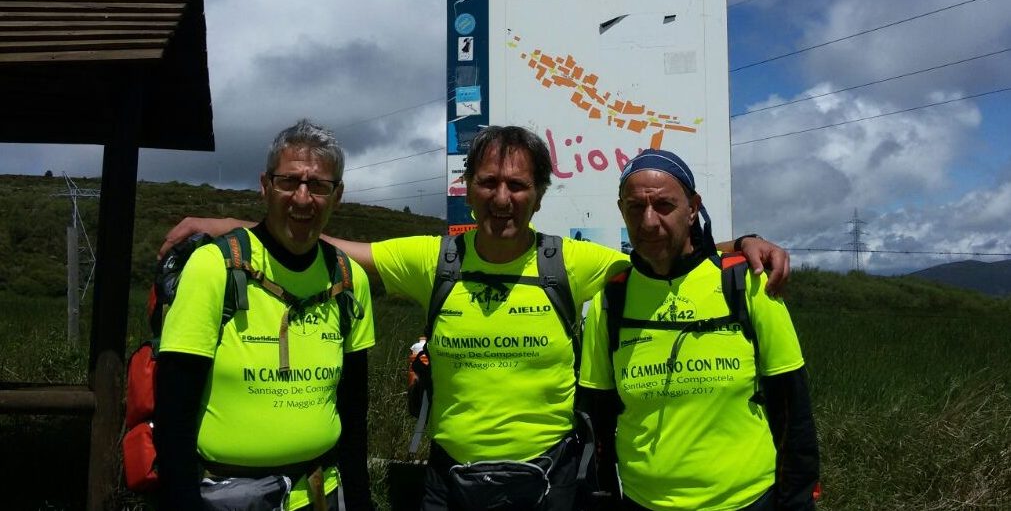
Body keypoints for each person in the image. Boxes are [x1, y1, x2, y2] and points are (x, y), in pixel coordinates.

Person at [160, 125, 791, 511]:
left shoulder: (571, 263)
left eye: (518, 186)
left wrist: (746, 244)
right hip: (450, 484)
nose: (502, 198)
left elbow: (666, 248)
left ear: (540, 193)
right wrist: (225, 227)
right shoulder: (433, 259)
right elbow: (312, 239)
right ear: (468, 187)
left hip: (549, 482)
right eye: (488, 182)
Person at [154, 119, 376, 510]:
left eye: (319, 185)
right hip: (228, 495)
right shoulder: (213, 267)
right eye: (289, 182)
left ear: (337, 195)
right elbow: (173, 412)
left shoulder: (349, 278)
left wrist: (361, 502)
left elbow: (354, 412)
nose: (303, 199)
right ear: (265, 185)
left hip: (322, 491)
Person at [579, 149, 819, 510]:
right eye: (635, 207)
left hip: (748, 500)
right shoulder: (611, 298)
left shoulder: (747, 283)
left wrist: (798, 502)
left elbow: (793, 413)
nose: (648, 221)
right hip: (644, 503)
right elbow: (596, 423)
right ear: (621, 210)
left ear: (692, 208)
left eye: (664, 205)